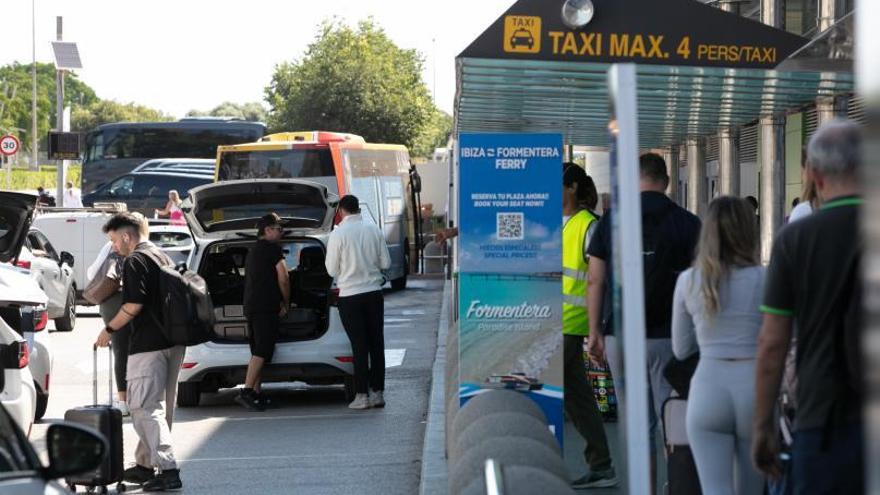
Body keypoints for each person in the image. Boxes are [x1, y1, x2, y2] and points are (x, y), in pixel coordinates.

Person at [752, 119, 864, 494]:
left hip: (823, 418)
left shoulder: (795, 240)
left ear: (815, 175)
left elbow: (772, 345)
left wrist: (764, 426)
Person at [586, 153, 701, 491]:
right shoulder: (688, 223)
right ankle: (677, 486)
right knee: (673, 421)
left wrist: (594, 331)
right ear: (665, 181)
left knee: (638, 426)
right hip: (672, 340)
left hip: (621, 336)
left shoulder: (611, 221)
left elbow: (595, 280)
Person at [671, 196, 764, 495]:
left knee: (714, 489)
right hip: (755, 388)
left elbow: (681, 349)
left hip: (708, 388)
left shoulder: (689, 281)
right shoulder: (767, 278)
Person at [94, 212, 185, 491]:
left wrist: (108, 331)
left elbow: (133, 306)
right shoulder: (162, 256)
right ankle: (146, 465)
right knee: (158, 409)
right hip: (172, 343)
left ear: (126, 236)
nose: (113, 247)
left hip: (148, 345)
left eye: (113, 240)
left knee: (144, 408)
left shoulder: (134, 260)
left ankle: (168, 469)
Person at [561, 163, 617, 489]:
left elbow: (599, 278)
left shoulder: (589, 225)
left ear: (571, 187)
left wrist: (597, 328)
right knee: (576, 395)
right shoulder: (558, 223)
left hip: (574, 322)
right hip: (555, 321)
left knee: (569, 393)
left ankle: (602, 463)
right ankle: (601, 463)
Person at [325, 195, 391, 410]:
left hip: (350, 296)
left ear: (342, 211)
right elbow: (386, 262)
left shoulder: (338, 234)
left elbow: (332, 270)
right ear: (358, 209)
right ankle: (378, 393)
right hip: (373, 294)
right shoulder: (373, 230)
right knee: (376, 343)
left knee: (359, 346)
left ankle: (361, 395)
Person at [86, 213, 150, 417]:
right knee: (139, 348)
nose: (113, 244)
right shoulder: (145, 247)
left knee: (121, 350)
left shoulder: (112, 247)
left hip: (113, 303)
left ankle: (123, 401)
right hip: (136, 304)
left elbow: (92, 273)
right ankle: (138, 395)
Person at [236, 213, 290, 411]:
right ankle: (247, 391)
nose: (281, 232)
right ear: (267, 230)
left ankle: (256, 394)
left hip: (251, 307)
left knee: (257, 350)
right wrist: (286, 302)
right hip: (266, 307)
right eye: (278, 228)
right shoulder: (272, 250)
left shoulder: (254, 250)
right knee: (263, 350)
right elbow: (283, 278)